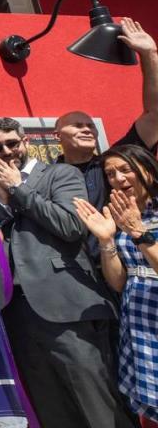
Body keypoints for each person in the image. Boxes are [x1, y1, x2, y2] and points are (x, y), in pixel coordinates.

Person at [0, 117, 131, 428]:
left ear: (25, 143)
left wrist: (18, 188)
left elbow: (71, 227)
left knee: (96, 402)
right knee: (49, 407)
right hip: (15, 310)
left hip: (66, 305)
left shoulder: (61, 174)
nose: (6, 151)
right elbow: (4, 242)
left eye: (12, 143)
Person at [75, 144, 158, 423]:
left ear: (147, 169)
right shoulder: (124, 216)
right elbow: (120, 282)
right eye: (110, 174)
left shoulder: (135, 221)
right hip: (139, 319)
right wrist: (107, 240)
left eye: (126, 170)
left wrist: (138, 232)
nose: (118, 179)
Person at [56, 18, 158, 210]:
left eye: (90, 126)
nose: (87, 130)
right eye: (78, 126)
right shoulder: (48, 174)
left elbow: (154, 114)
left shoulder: (114, 162)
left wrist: (149, 55)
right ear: (58, 135)